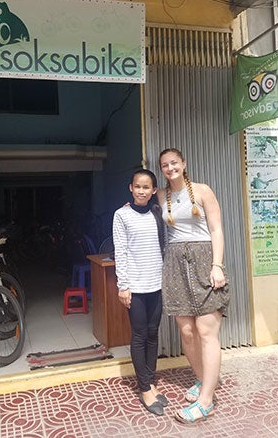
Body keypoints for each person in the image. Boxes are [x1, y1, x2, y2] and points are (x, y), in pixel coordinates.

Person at [157, 148, 230, 424]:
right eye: (164, 165)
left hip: (203, 261)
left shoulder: (202, 190)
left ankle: (206, 402)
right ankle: (203, 380)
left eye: (174, 162)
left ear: (184, 164)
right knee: (187, 332)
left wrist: (217, 264)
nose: (170, 168)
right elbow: (141, 203)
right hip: (175, 263)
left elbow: (216, 229)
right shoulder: (161, 196)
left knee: (206, 330)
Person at [113, 169, 167, 416]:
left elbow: (163, 246)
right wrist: (123, 286)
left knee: (153, 334)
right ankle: (144, 388)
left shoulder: (157, 213)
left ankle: (151, 381)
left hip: (156, 283)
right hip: (134, 286)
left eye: (147, 187)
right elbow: (121, 251)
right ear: (131, 188)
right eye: (138, 186)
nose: (142, 191)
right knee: (139, 335)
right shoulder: (121, 215)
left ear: (154, 191)